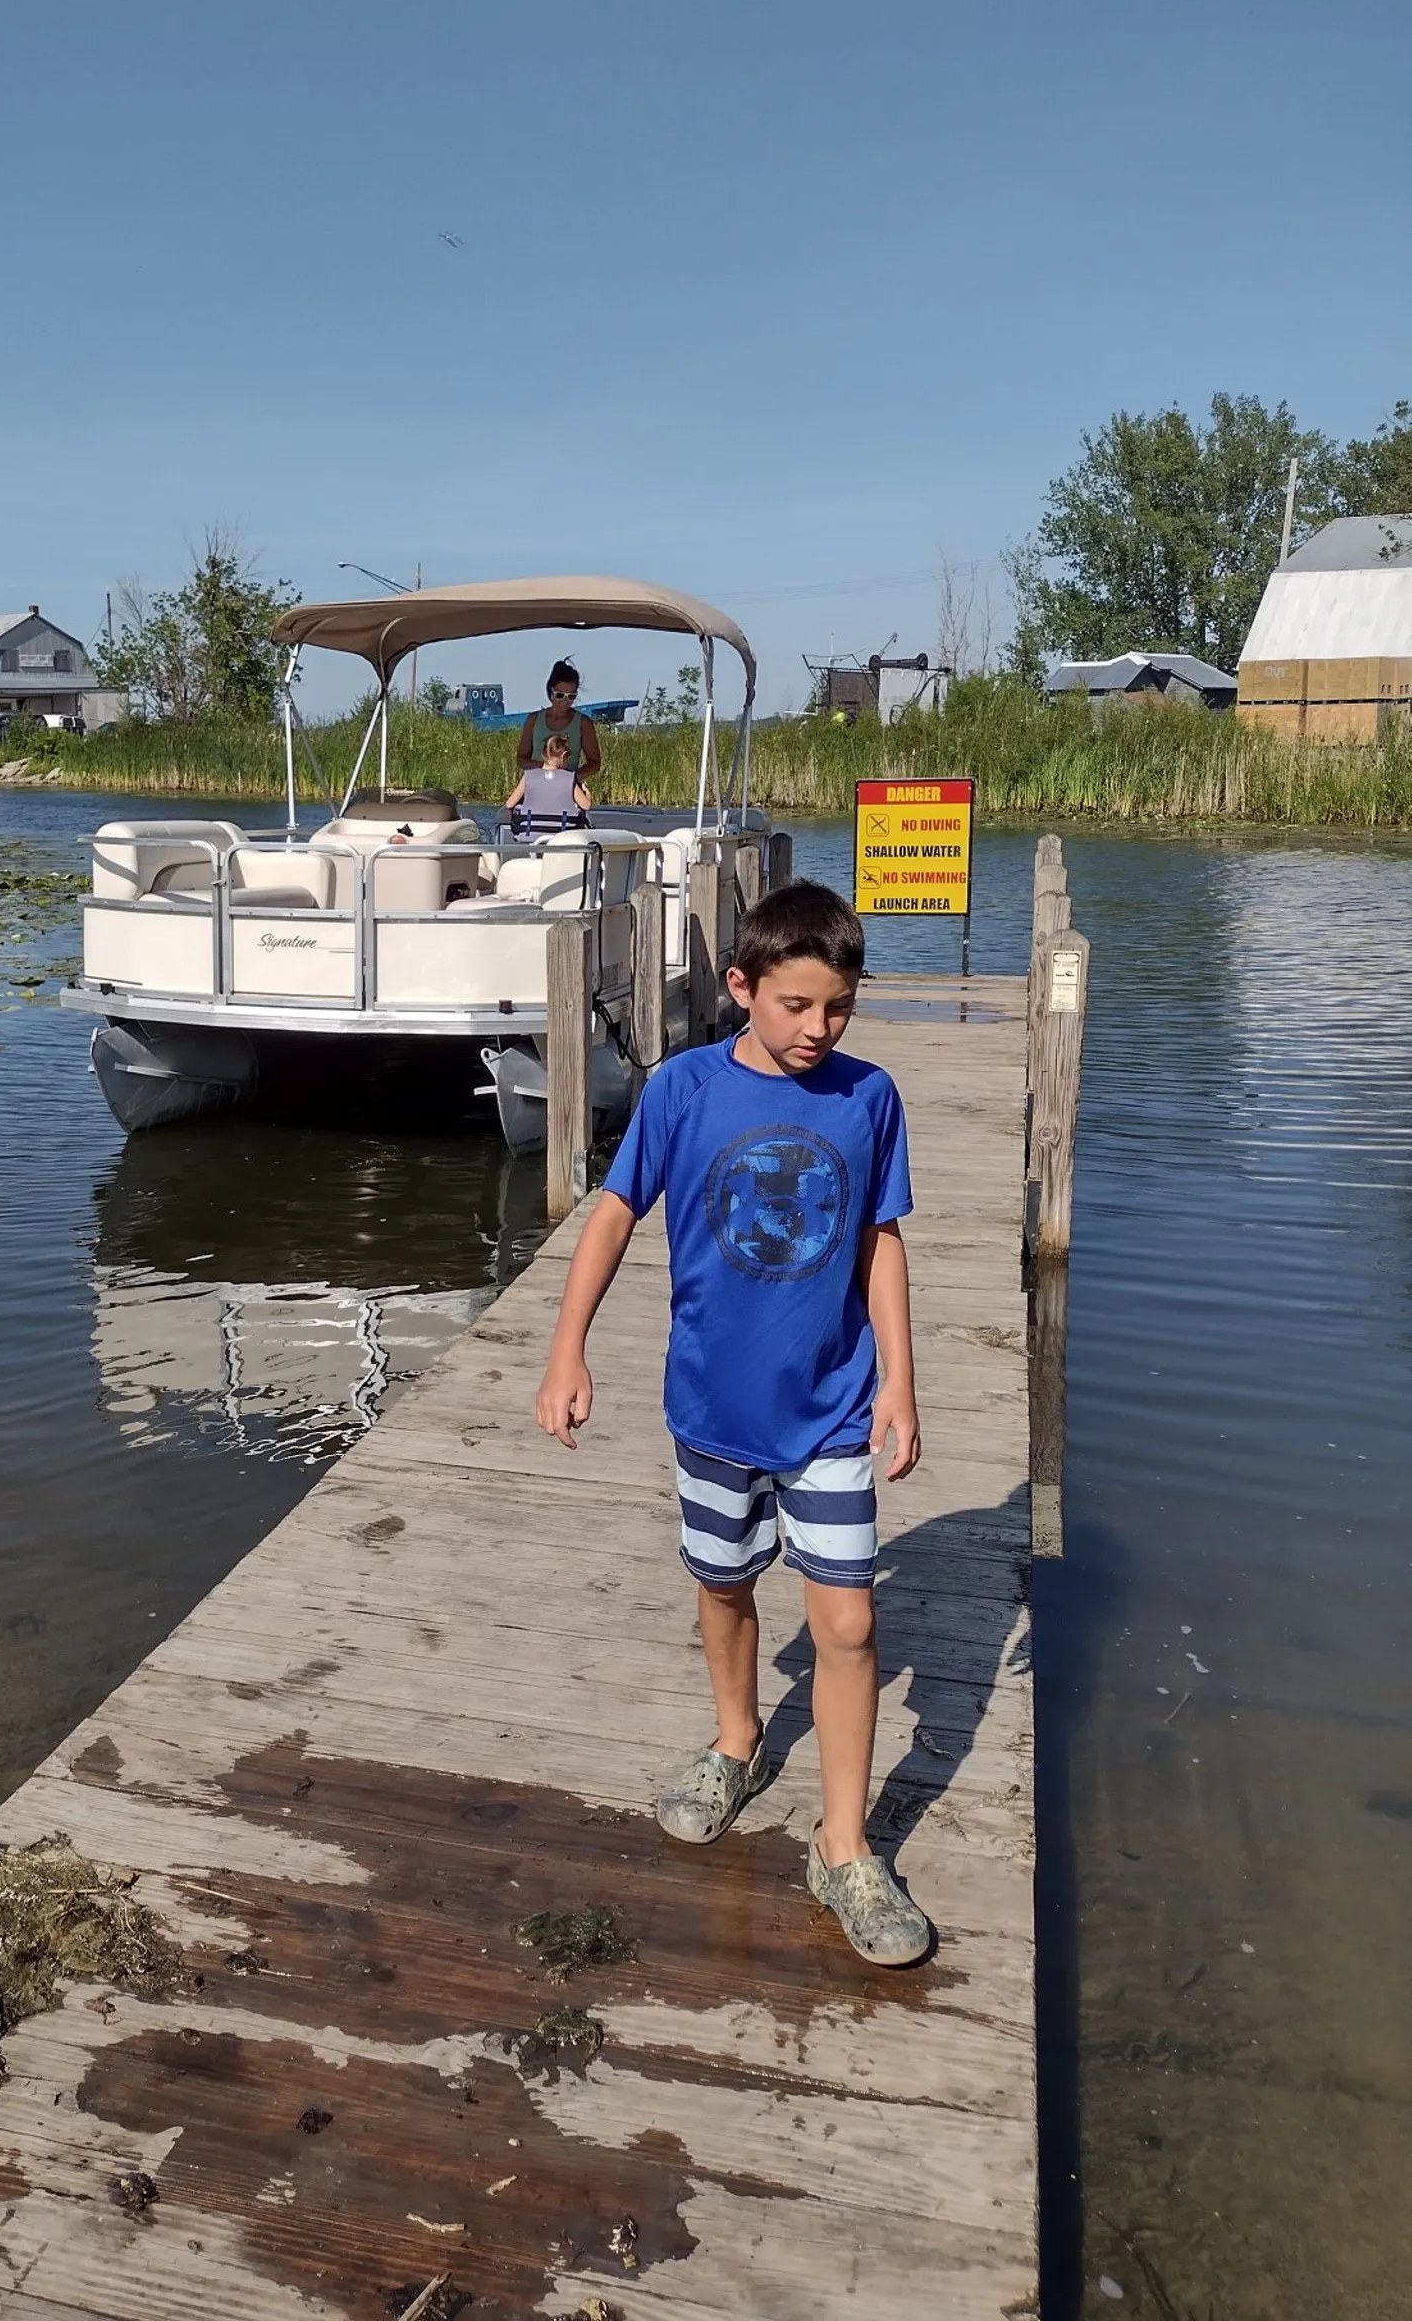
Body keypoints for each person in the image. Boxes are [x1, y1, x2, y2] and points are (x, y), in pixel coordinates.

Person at [532, 878, 932, 1967]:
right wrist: (568, 1346)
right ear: (740, 986)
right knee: (724, 1584)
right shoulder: (682, 1092)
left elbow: (880, 1241)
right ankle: (737, 1739)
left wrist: (899, 1378)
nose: (819, 1029)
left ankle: (844, 1848)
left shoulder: (869, 1097)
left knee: (848, 1624)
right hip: (712, 1408)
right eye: (797, 1005)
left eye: (838, 1007)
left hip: (834, 1408)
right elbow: (615, 1212)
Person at [515, 661, 601, 796]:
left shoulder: (583, 723)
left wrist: (572, 778)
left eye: (571, 697)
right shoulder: (534, 720)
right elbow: (521, 759)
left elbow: (594, 763)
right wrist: (544, 768)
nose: (565, 701)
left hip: (567, 791)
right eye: (560, 695)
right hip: (536, 789)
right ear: (551, 692)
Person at [506, 733, 593, 834]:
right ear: (563, 756)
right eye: (568, 758)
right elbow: (586, 805)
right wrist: (587, 793)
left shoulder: (528, 776)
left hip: (531, 834)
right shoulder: (569, 778)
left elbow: (509, 804)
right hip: (562, 837)